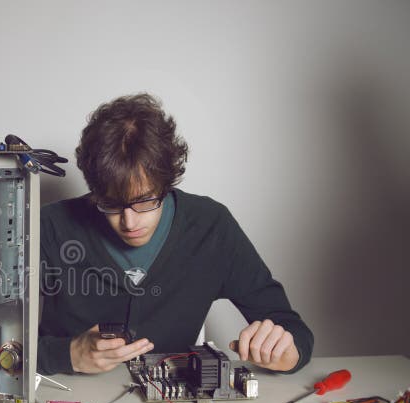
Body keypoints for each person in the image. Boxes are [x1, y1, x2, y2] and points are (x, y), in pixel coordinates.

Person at [38, 93, 313, 375]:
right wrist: (67, 355)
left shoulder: (211, 226)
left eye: (145, 201)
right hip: (65, 402)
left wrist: (286, 352)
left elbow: (292, 329)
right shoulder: (50, 227)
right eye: (111, 204)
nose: (129, 222)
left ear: (166, 182)